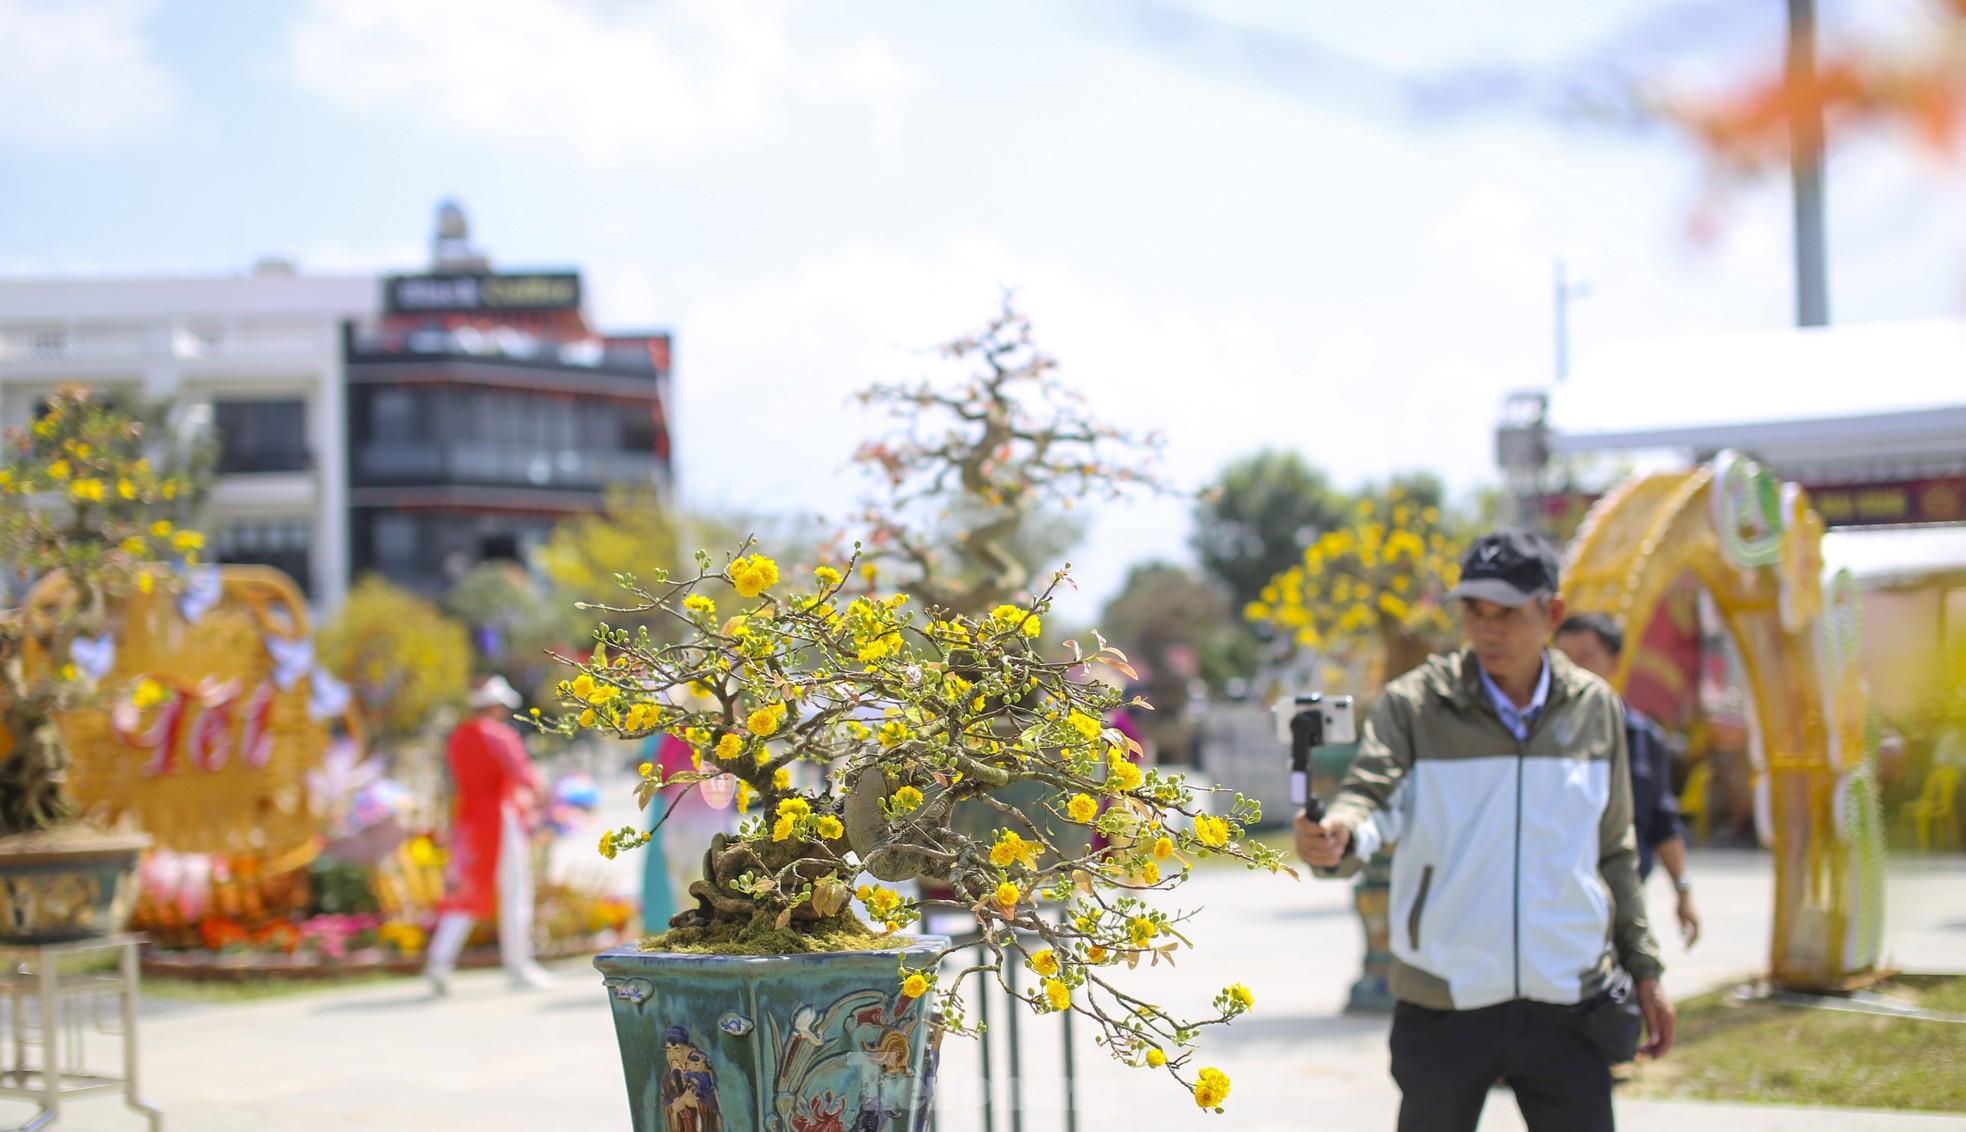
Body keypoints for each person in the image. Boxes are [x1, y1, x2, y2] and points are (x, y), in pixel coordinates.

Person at [1296, 529, 1672, 1132]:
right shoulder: (1414, 705)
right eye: (1474, 610)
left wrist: (1645, 970)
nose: (1487, 630)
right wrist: (1339, 833)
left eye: (1507, 614)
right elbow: (1370, 795)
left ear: (1551, 613)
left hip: (1569, 1001)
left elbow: (1615, 850)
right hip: (1443, 1001)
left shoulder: (1596, 708)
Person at [1555, 612, 1701, 947]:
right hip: (1557, 904)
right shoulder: (1542, 736)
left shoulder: (1643, 737)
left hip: (1623, 901)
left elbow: (1663, 821)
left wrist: (1683, 892)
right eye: (1562, 659)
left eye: (1585, 657)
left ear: (1615, 663)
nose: (1572, 670)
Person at [423, 674, 555, 993]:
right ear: (495, 706)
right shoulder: (499, 735)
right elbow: (525, 776)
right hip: (500, 818)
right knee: (515, 892)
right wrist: (545, 800)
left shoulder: (457, 736)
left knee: (467, 889)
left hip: (468, 820)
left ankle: (439, 960)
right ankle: (519, 964)